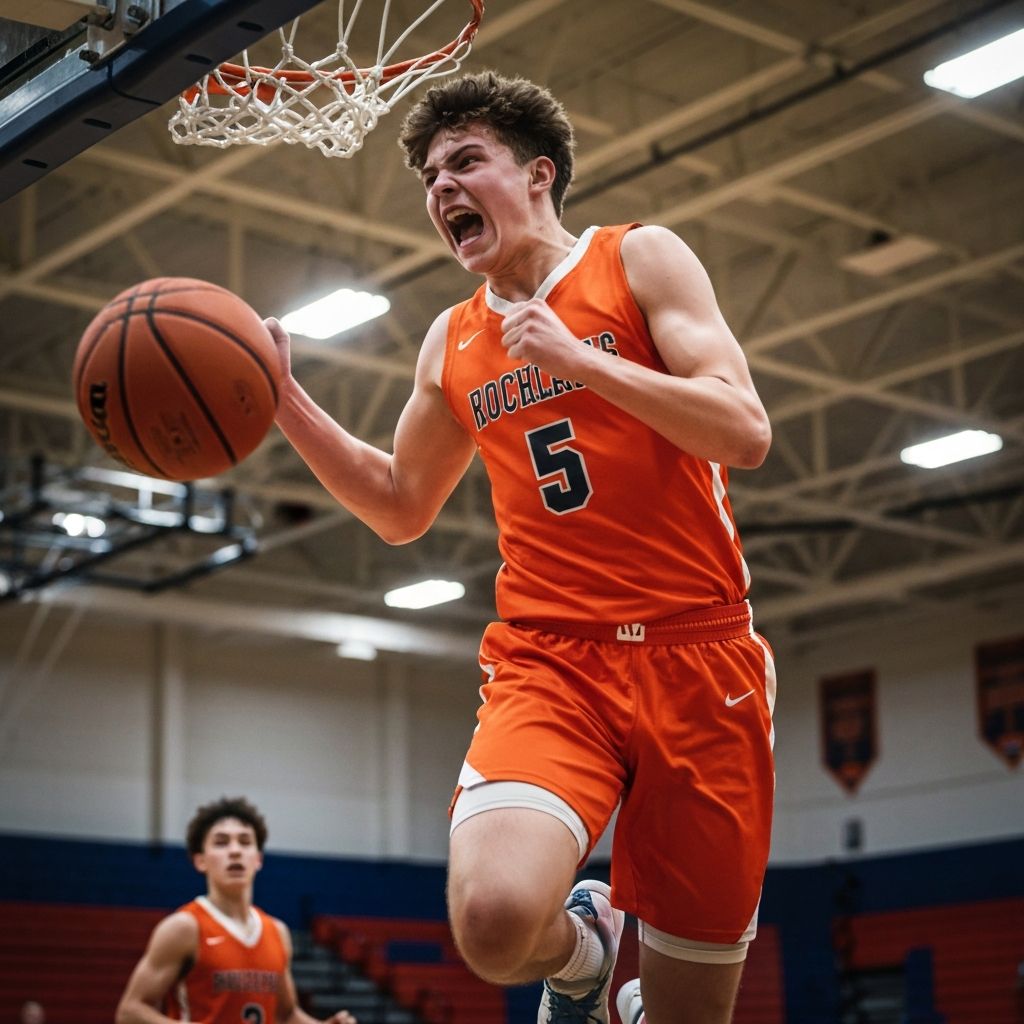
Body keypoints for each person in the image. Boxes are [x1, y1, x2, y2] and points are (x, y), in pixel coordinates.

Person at [268, 71, 776, 1024]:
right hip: (555, 662)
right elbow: (398, 504)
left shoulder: (639, 259)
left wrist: (583, 361)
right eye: (429, 177)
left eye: (466, 162)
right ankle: (582, 958)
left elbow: (744, 432)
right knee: (495, 923)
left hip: (701, 661)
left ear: (539, 175)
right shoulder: (452, 341)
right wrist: (283, 401)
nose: (442, 189)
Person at [116, 796, 357, 1024]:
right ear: (200, 860)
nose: (235, 850)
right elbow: (129, 1012)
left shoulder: (277, 931)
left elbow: (285, 1015)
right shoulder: (184, 927)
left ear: (258, 859)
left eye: (245, 842)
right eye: (221, 842)